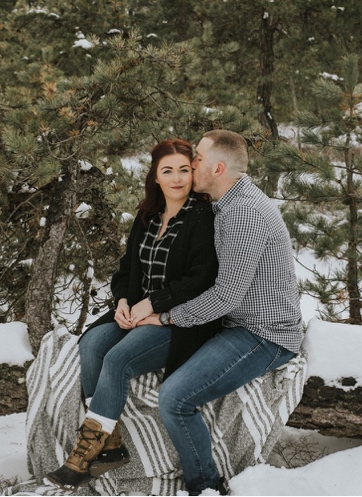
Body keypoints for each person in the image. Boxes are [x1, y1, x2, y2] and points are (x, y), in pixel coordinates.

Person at [130, 129, 305, 495]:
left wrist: (164, 317)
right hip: (232, 322)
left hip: (263, 334)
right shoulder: (225, 203)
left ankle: (205, 487)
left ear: (218, 168)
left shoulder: (243, 213)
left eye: (196, 161)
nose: (191, 167)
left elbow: (224, 296)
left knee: (174, 398)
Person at [47, 139, 224, 489]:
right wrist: (124, 301)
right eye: (167, 171)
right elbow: (127, 269)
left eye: (184, 170)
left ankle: (85, 451)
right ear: (155, 177)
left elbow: (201, 277)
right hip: (136, 309)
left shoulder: (202, 217)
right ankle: (111, 446)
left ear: (193, 173)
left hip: (178, 318)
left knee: (118, 359)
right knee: (92, 344)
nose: (177, 178)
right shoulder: (147, 216)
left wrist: (153, 304)